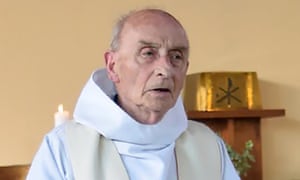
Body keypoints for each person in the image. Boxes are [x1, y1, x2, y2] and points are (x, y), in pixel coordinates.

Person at [27, 8, 240, 180]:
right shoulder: (65, 147)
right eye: (148, 53)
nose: (165, 69)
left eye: (176, 56)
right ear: (112, 66)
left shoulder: (207, 146)